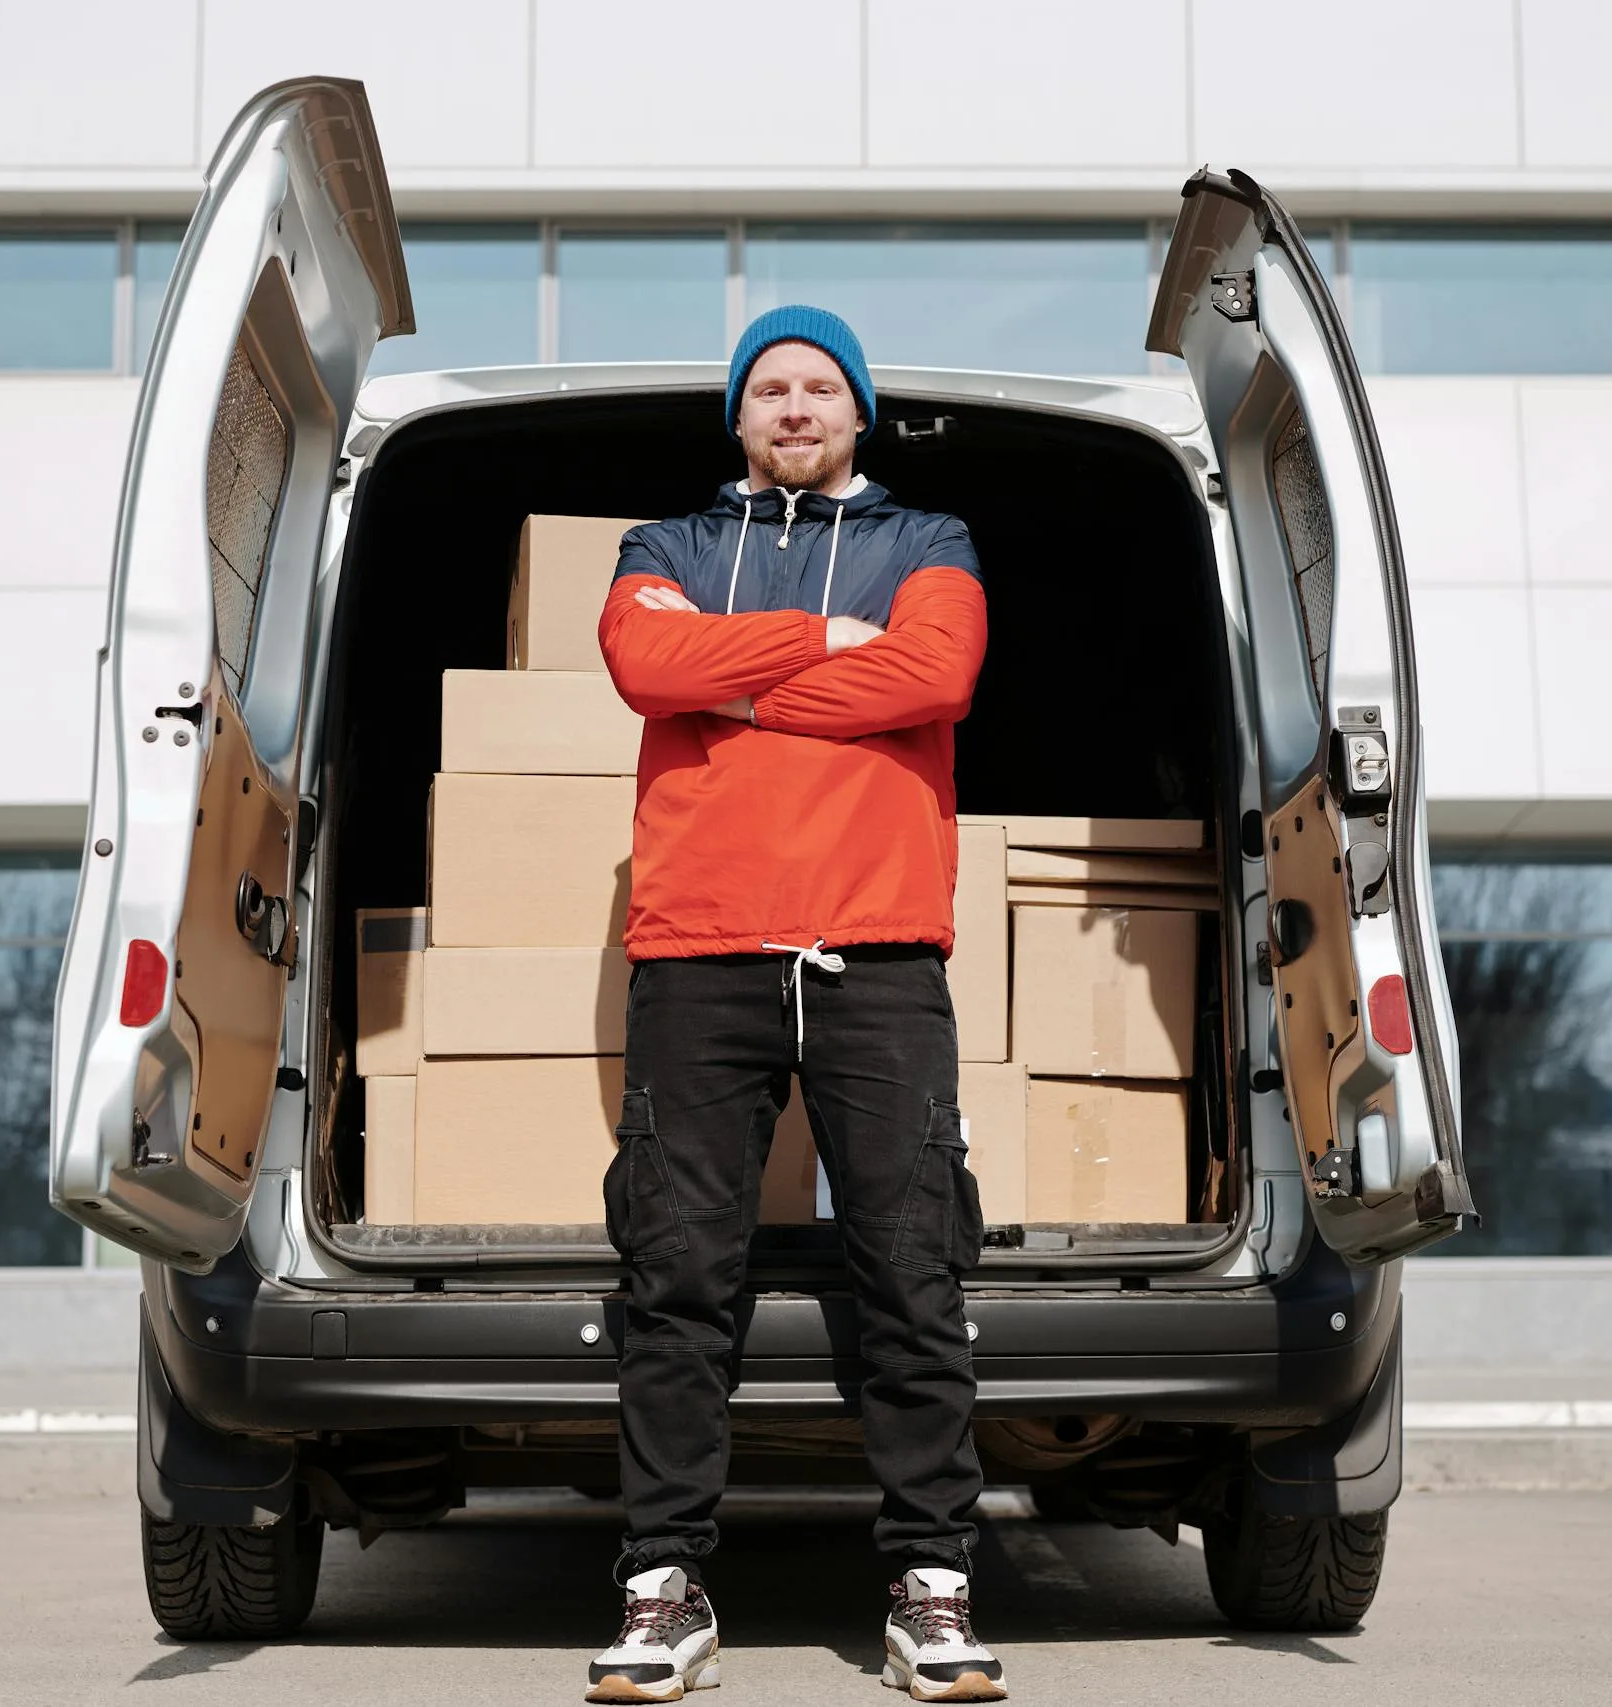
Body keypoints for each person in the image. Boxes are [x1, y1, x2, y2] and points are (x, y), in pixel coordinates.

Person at [584, 306, 1003, 1704]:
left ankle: (933, 1580)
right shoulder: (664, 548)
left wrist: (745, 689)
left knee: (908, 1264)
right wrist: (829, 641)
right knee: (681, 1273)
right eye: (771, 387)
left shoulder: (928, 541)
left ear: (860, 410)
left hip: (879, 950)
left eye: (822, 385)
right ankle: (663, 1585)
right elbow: (649, 666)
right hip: (700, 950)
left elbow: (934, 671)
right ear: (738, 415)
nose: (797, 405)